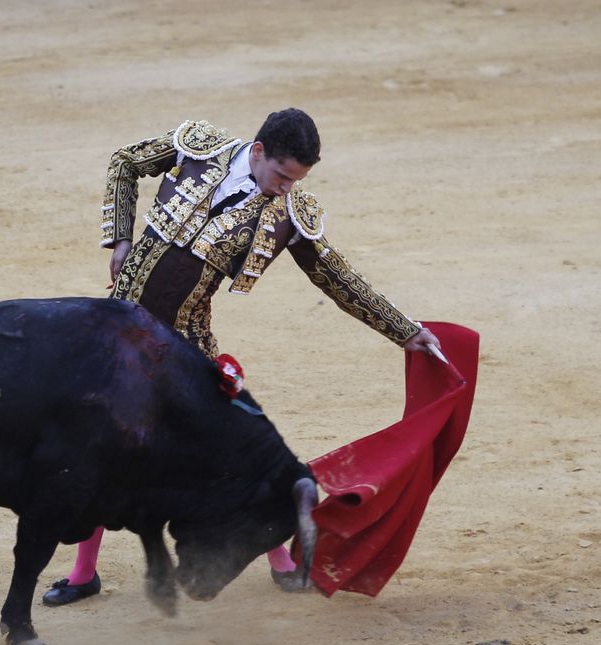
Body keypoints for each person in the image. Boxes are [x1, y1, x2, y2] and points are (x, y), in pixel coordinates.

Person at [41, 109, 443, 605]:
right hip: (118, 334)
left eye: (295, 181)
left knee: (229, 452)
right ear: (258, 151)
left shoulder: (288, 214)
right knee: (101, 445)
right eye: (281, 176)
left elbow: (336, 277)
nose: (285, 189)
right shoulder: (199, 146)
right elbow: (125, 162)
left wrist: (404, 331)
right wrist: (120, 238)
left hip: (185, 347)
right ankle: (83, 573)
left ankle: (281, 559)